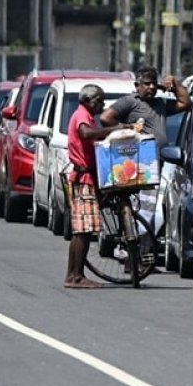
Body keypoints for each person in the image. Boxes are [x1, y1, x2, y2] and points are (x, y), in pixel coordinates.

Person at [64, 84, 132, 289]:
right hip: (83, 179)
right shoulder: (82, 116)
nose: (102, 105)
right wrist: (113, 130)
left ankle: (75, 274)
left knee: (82, 231)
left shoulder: (84, 115)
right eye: (99, 101)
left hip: (88, 178)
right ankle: (74, 276)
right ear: (87, 101)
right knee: (83, 231)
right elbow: (85, 133)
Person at [99, 65, 192, 152]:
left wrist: (174, 83)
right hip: (139, 158)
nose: (151, 87)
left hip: (160, 159)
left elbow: (185, 103)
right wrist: (127, 129)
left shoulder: (160, 103)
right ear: (137, 85)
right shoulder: (131, 101)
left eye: (154, 83)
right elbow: (105, 118)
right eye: (147, 84)